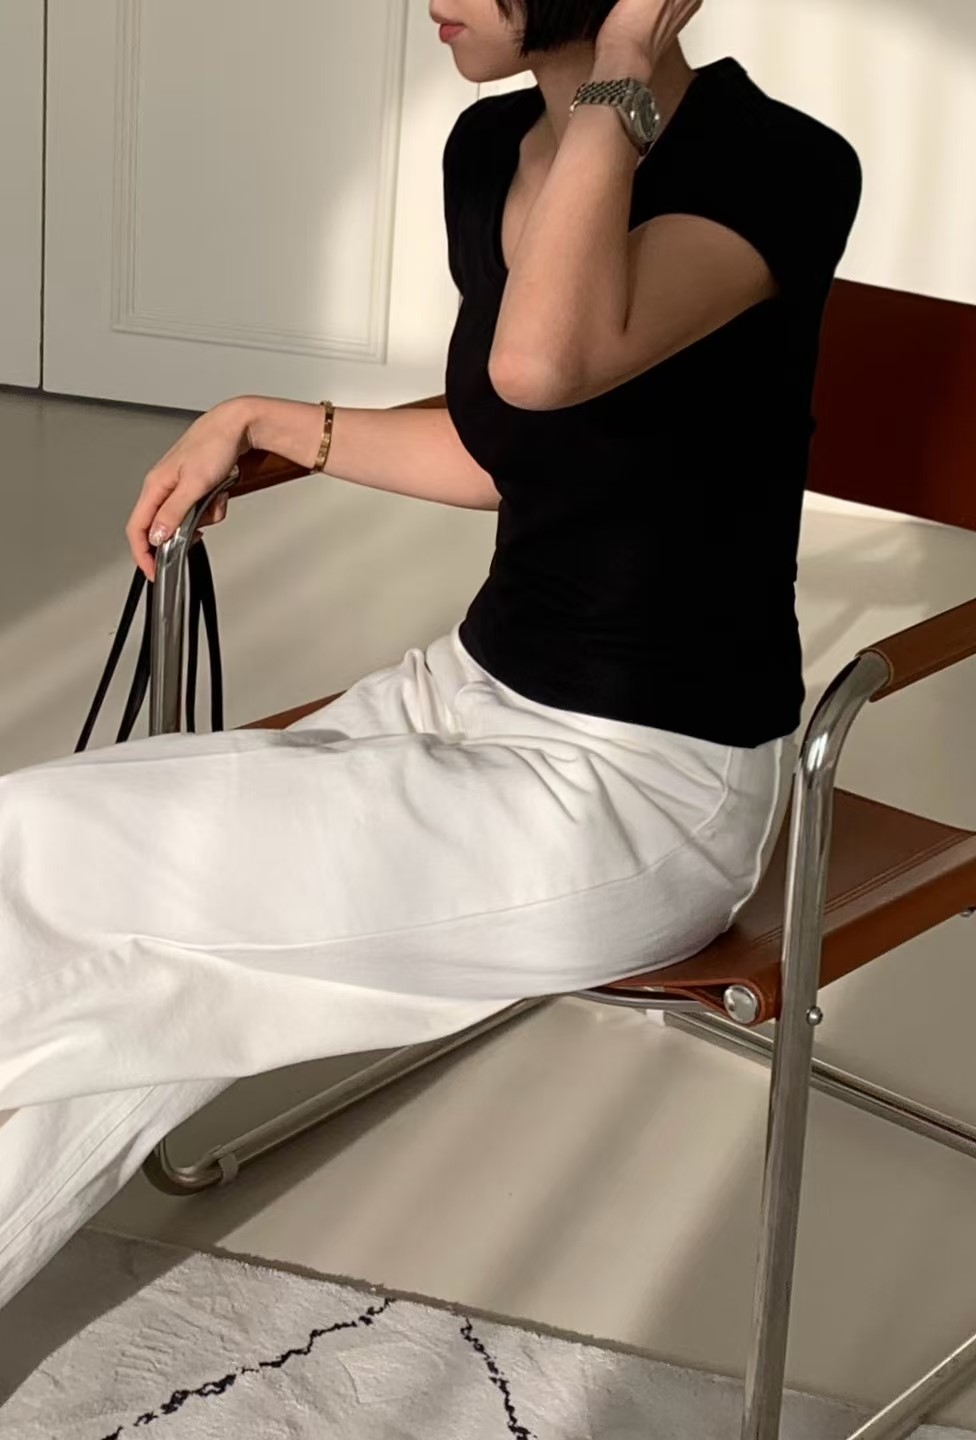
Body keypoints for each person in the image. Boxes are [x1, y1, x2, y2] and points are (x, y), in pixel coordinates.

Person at [0, 0, 861, 1314]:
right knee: (139, 988)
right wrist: (262, 417)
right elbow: (501, 450)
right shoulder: (490, 151)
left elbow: (544, 363)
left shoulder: (778, 162)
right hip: (458, 695)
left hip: (637, 791)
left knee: (40, 846)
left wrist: (622, 66)